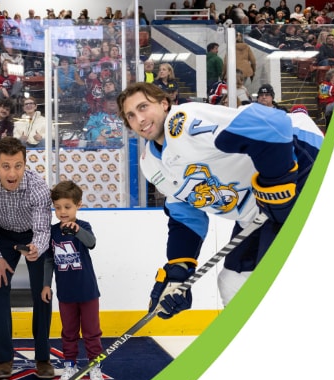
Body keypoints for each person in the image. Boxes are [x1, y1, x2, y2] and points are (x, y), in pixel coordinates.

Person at [116, 82, 322, 320]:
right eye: (131, 115)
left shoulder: (183, 122)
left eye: (143, 107)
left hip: (301, 168)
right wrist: (178, 270)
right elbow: (185, 214)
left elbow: (273, 126)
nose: (139, 119)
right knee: (233, 281)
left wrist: (277, 187)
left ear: (164, 104)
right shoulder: (150, 164)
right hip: (259, 210)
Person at [0, 136, 53, 379]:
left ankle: (43, 357)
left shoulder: (38, 187)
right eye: (6, 166)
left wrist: (37, 247)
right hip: (2, 235)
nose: (12, 172)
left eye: (18, 165)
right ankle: (4, 359)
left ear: (25, 164)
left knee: (43, 294)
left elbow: (43, 229)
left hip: (33, 236)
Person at [40, 180, 105, 380]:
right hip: (66, 293)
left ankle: (95, 365)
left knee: (91, 331)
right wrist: (46, 284)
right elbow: (49, 259)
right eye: (58, 207)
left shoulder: (83, 226)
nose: (62, 211)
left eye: (67, 207)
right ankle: (69, 364)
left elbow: (91, 243)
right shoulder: (52, 231)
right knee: (68, 332)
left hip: (87, 291)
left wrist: (76, 230)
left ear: (78, 205)